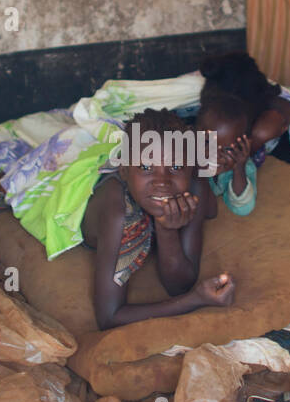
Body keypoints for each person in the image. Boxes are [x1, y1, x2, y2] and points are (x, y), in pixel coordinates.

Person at [81, 108, 236, 329]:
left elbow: (179, 285)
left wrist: (166, 229)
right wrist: (196, 299)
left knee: (205, 202)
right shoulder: (118, 212)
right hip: (93, 194)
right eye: (146, 167)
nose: (161, 181)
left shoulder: (193, 186)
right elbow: (109, 316)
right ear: (124, 171)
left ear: (190, 169)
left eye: (175, 167)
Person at [198, 52, 290, 160]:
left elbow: (284, 104)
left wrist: (259, 136)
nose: (216, 155)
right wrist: (256, 141)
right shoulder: (204, 118)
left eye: (228, 148)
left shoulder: (262, 107)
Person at [195, 92, 258, 215]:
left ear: (241, 147)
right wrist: (198, 170)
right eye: (208, 142)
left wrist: (239, 169)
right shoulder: (185, 158)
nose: (216, 155)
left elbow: (244, 209)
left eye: (228, 149)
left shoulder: (242, 165)